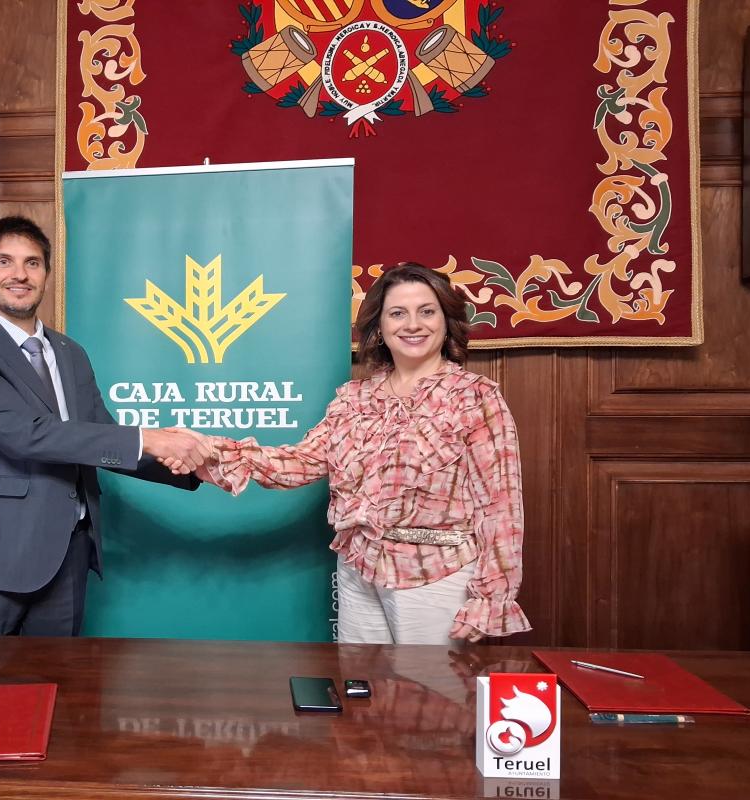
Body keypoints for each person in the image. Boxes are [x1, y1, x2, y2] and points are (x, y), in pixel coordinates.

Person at [197, 263, 531, 645]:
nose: (413, 324)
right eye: (398, 313)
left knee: (433, 684)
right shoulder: (354, 399)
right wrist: (211, 454)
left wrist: (492, 595)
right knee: (363, 683)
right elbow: (302, 462)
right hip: (359, 570)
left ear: (446, 320)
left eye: (426, 311)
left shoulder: (475, 397)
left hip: (437, 575)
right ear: (380, 326)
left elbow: (500, 504)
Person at [0, 216, 209, 637]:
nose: (20, 274)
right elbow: (26, 433)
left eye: (32, 263)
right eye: (4, 262)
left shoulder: (69, 352)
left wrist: (201, 464)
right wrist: (149, 438)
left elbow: (100, 437)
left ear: (46, 275)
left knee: (57, 677)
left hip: (68, 552)